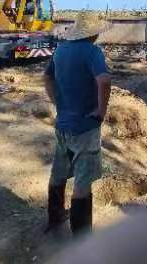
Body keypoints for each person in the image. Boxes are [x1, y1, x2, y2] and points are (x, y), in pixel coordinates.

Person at [44, 15, 112, 236]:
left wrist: (57, 102)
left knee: (59, 173)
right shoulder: (92, 52)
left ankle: (54, 218)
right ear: (92, 33)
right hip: (85, 126)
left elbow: (46, 78)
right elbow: (104, 80)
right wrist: (101, 111)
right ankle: (82, 237)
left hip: (63, 124)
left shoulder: (61, 50)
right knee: (83, 181)